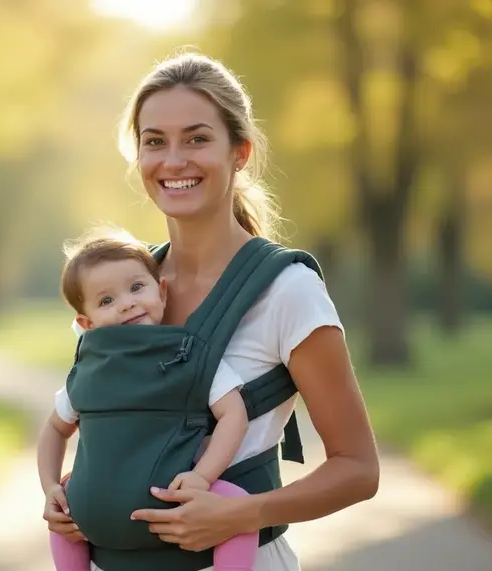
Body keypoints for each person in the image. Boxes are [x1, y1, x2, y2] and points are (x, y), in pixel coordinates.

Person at [42, 51, 380, 571]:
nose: (173, 161)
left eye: (197, 139)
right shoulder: (120, 293)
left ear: (239, 152)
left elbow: (358, 469)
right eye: (154, 141)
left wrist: (239, 514)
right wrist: (65, 496)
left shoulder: (286, 291)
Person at [38, 227, 260, 571]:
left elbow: (55, 428)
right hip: (165, 500)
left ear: (162, 291)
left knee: (64, 515)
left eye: (136, 287)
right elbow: (234, 414)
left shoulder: (90, 368)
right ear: (87, 323)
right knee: (239, 510)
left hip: (97, 510)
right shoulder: (189, 355)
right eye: (106, 300)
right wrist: (202, 478)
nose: (127, 303)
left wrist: (53, 486)